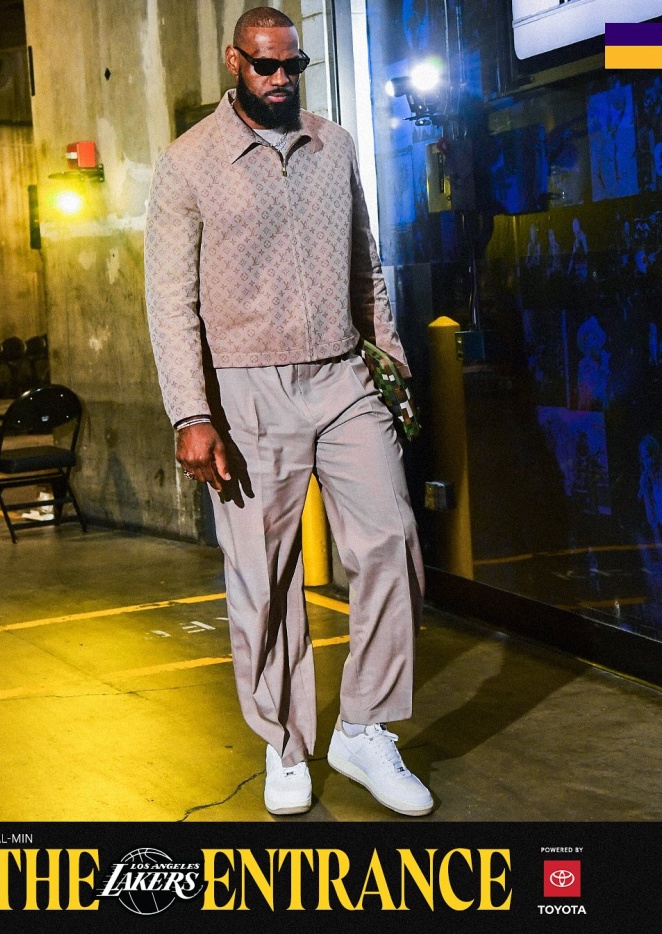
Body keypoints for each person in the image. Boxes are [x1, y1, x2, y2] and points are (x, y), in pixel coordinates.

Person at [144, 6, 432, 818]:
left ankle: (364, 727)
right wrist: (190, 414)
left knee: (391, 542)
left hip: (343, 378)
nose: (280, 79)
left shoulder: (334, 145)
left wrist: (392, 363)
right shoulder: (188, 163)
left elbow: (365, 267)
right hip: (245, 392)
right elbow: (169, 302)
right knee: (262, 579)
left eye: (292, 66)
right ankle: (284, 742)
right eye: (265, 65)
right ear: (234, 62)